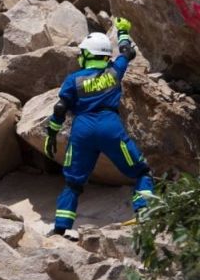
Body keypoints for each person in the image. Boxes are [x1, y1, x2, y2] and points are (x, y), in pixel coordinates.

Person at [44, 19, 155, 236]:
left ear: (87, 55)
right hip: (109, 126)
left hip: (81, 130)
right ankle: (145, 214)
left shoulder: (73, 79)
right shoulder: (115, 70)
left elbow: (60, 108)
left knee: (73, 183)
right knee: (142, 171)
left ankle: (60, 229)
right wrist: (123, 31)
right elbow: (127, 51)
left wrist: (51, 133)